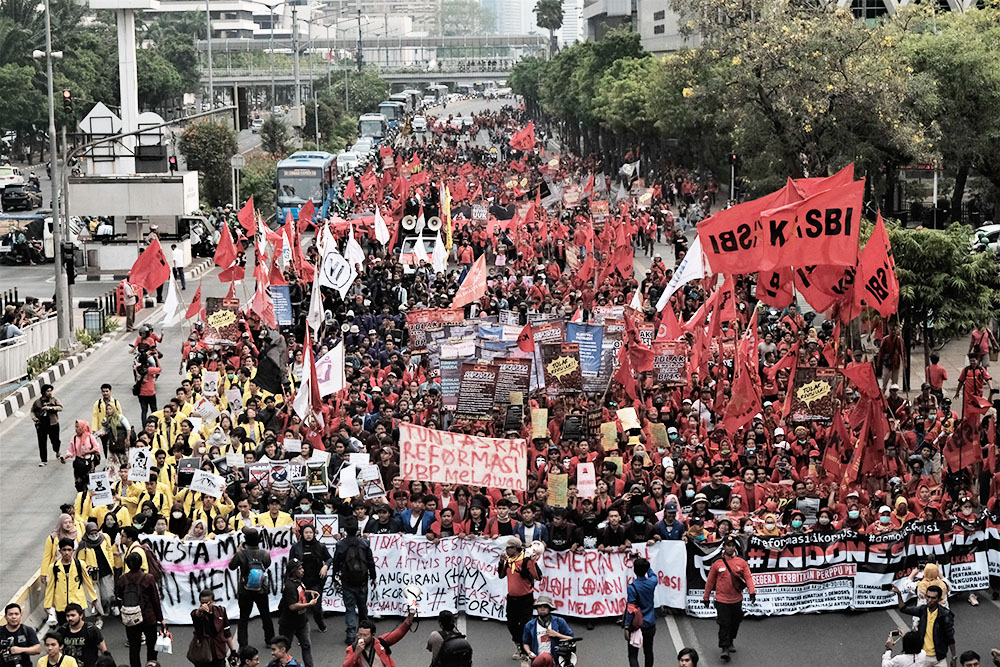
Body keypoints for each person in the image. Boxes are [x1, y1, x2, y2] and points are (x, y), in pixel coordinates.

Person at [701, 536, 755, 663]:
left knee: (735, 623)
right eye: (728, 545)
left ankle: (730, 640)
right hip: (721, 600)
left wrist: (752, 591)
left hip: (736, 600)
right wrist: (706, 597)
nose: (730, 548)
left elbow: (748, 577)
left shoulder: (741, 562)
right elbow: (710, 581)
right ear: (724, 547)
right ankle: (724, 648)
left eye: (732, 545)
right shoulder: (717, 563)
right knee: (724, 624)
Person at [331, 518, 375, 647]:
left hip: (347, 581)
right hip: (362, 581)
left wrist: (335, 578)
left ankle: (351, 635)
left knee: (350, 608)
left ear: (345, 530)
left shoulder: (340, 545)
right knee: (362, 607)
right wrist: (373, 576)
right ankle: (365, 632)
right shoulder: (365, 543)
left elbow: (336, 563)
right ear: (357, 530)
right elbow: (370, 561)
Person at [115, 552, 164, 667]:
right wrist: (160, 619)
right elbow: (155, 600)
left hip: (131, 616)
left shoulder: (122, 579)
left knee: (134, 647)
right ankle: (151, 664)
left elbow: (119, 596)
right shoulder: (148, 578)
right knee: (151, 645)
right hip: (148, 616)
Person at [227, 528, 274, 649]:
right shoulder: (264, 554)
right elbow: (267, 564)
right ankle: (270, 640)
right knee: (266, 615)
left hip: (245, 590)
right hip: (261, 589)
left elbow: (231, 566)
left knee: (243, 618)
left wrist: (238, 551)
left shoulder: (241, 554)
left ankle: (243, 644)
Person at [891, 583, 956, 667]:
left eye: (933, 598)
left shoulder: (945, 615)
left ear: (939, 599)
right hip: (922, 657)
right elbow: (903, 609)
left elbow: (950, 637)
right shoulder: (922, 610)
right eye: (928, 597)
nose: (929, 600)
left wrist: (954, 657)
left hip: (939, 658)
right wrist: (899, 594)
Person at [498, 536, 542, 660]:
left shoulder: (525, 560)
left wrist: (533, 562)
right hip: (512, 598)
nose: (507, 550)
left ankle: (524, 649)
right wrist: (501, 563)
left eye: (509, 548)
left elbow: (538, 577)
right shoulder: (509, 561)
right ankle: (518, 643)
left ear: (516, 548)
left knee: (524, 624)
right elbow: (501, 576)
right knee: (511, 624)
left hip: (525, 598)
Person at [288, 524, 333, 633]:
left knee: (316, 608)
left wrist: (325, 566)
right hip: (300, 582)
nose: (308, 535)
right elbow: (290, 564)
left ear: (314, 533)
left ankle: (320, 624)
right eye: (306, 532)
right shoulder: (296, 547)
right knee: (301, 608)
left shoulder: (320, 546)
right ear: (302, 534)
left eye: (310, 533)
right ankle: (301, 631)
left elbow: (329, 558)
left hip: (316, 581)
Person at [44, 541, 95, 626]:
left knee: (79, 629)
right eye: (64, 550)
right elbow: (50, 587)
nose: (67, 553)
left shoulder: (80, 564)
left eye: (69, 550)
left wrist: (94, 598)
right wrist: (48, 605)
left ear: (73, 550)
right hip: (61, 606)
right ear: (60, 551)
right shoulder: (53, 567)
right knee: (64, 631)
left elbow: (88, 582)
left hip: (78, 604)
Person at [342, 608, 414, 667]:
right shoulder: (353, 648)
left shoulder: (381, 642)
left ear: (373, 635)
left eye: (365, 635)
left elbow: (400, 631)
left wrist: (410, 616)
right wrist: (357, 652)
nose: (362, 638)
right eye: (360, 634)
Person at [277, 560, 316, 667]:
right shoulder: (289, 586)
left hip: (302, 622)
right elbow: (293, 606)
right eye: (299, 569)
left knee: (306, 646)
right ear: (293, 571)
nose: (303, 570)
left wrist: (309, 592)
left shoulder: (298, 581)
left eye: (302, 567)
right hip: (289, 624)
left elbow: (299, 591)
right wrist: (309, 604)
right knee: (283, 650)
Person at [521, 596, 573, 667]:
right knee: (545, 657)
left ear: (549, 609)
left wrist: (557, 634)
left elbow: (571, 638)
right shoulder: (530, 625)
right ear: (537, 609)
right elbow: (525, 643)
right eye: (539, 607)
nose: (542, 609)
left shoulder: (559, 622)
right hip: (537, 659)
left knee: (547, 657)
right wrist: (529, 652)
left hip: (556, 661)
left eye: (545, 607)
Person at [624, 557, 657, 667]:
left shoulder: (632, 587)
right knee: (648, 652)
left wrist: (626, 626)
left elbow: (630, 608)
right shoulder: (652, 582)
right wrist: (647, 566)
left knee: (633, 655)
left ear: (634, 570)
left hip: (637, 625)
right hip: (650, 624)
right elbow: (653, 574)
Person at [189, 589, 235, 667]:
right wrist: (200, 610)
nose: (205, 605)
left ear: (213, 601)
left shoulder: (221, 611)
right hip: (204, 653)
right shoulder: (197, 613)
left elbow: (227, 632)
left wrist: (233, 650)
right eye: (202, 602)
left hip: (219, 652)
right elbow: (196, 615)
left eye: (207, 602)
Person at [31, 384, 62, 467]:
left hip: (53, 424)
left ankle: (57, 451)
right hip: (41, 425)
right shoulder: (37, 402)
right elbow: (32, 411)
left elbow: (60, 407)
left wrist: (51, 408)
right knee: (42, 443)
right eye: (48, 391)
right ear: (43, 392)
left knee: (55, 441)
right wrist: (34, 418)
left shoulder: (54, 400)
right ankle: (43, 460)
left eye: (50, 391)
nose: (50, 393)